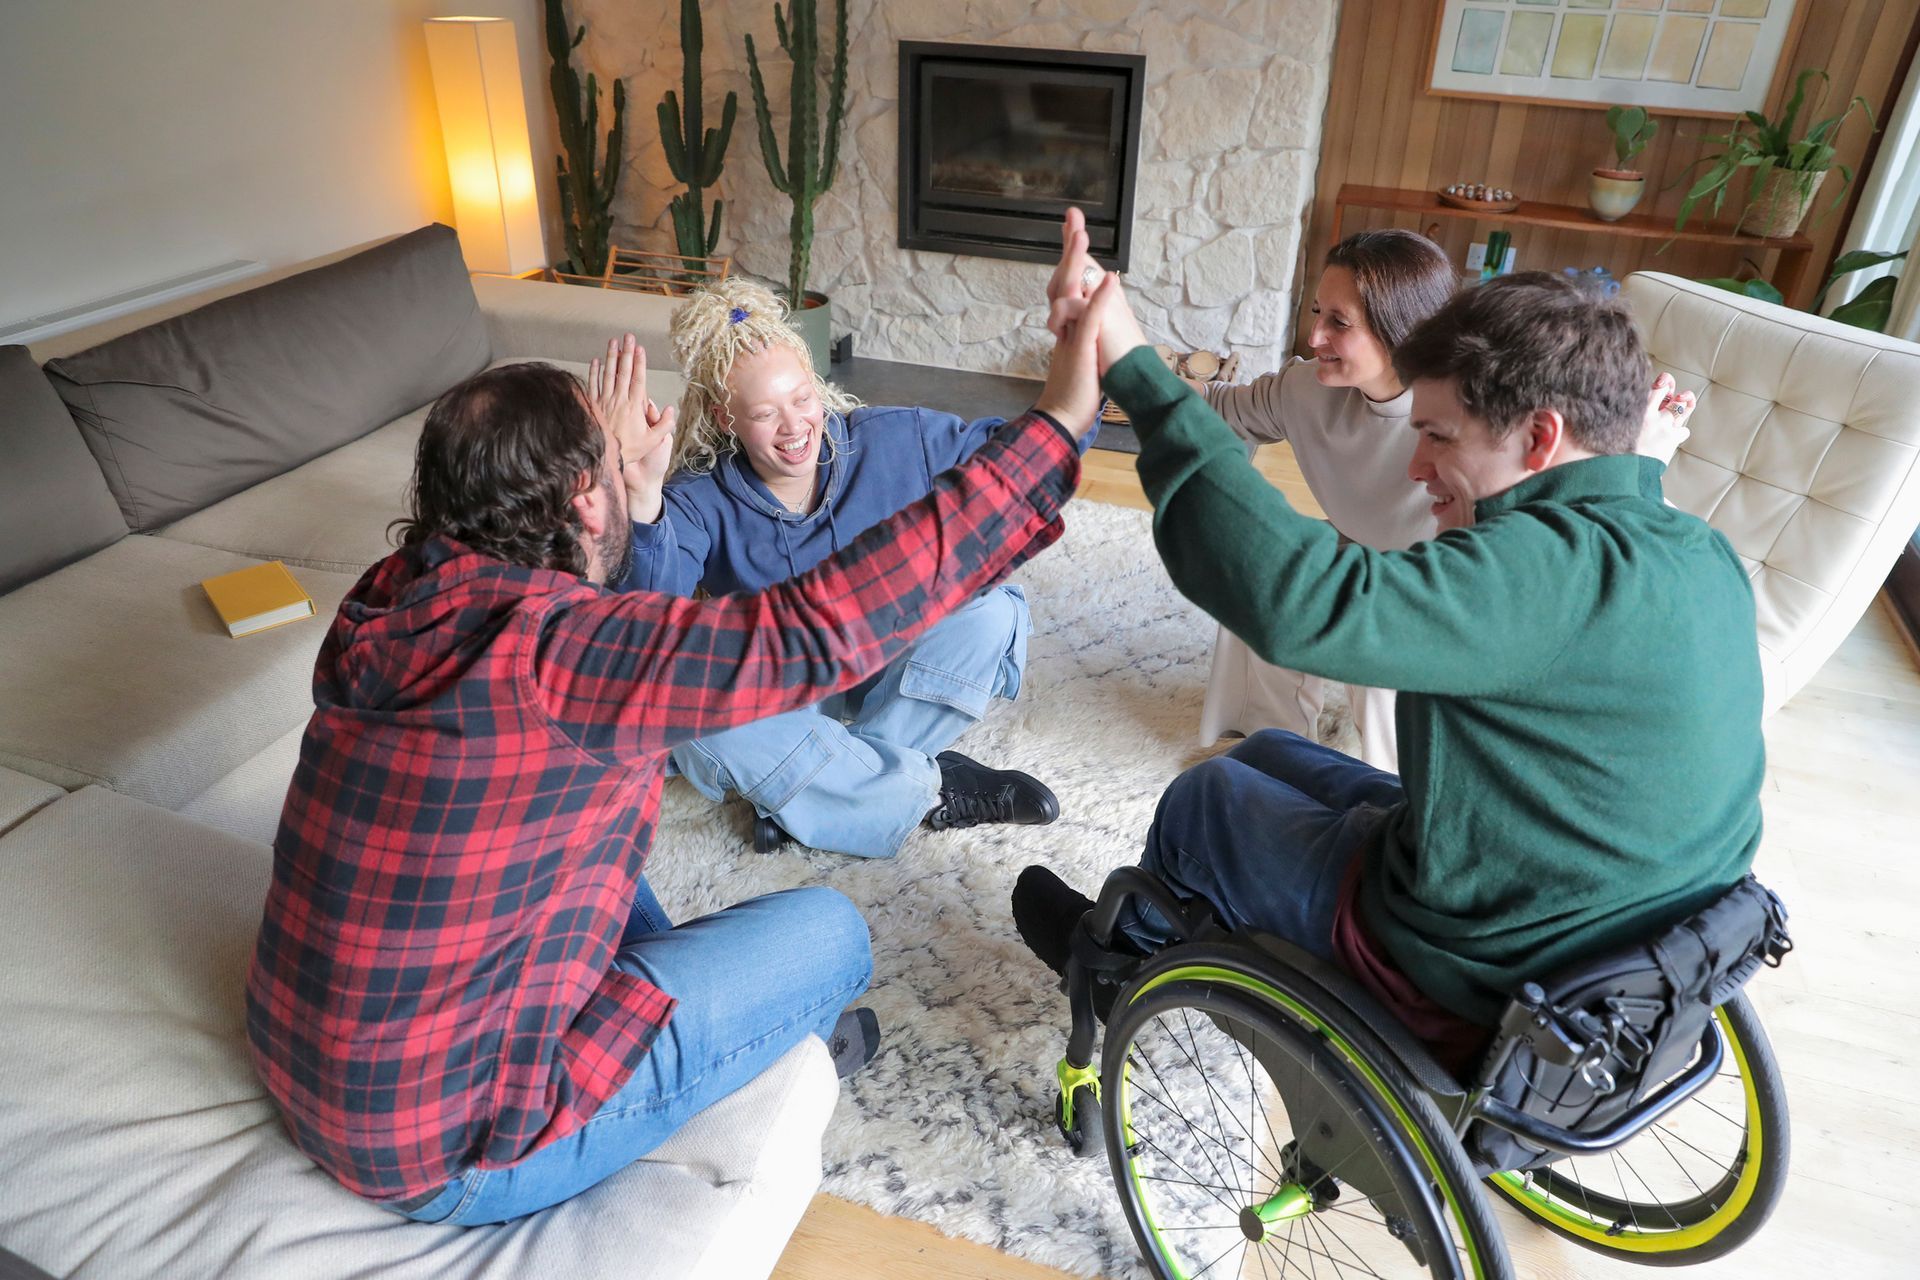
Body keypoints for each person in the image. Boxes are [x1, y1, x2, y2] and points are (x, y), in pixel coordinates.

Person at [244, 259, 1106, 1223]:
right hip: (460, 1148)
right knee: (828, 935)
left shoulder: (383, 598)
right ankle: (767, 1070)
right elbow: (814, 629)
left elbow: (611, 648)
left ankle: (734, 1017)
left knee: (614, 866)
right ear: (583, 502)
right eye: (615, 461)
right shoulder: (564, 655)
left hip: (308, 1067)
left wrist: (634, 489)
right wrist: (1063, 416)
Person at [1014, 264, 1755, 1069]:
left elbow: (1300, 598)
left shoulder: (1535, 575)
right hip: (1615, 924)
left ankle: (1117, 975)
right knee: (1264, 754)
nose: (1416, 466)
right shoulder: (1695, 548)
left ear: (1541, 437)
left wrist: (1134, 366)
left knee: (1209, 796)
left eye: (1438, 436)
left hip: (1486, 970)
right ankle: (1174, 939)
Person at [615, 272, 1099, 858]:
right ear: (726, 420)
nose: (795, 428)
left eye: (801, 399)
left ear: (817, 387)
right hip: (787, 688)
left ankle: (816, 794)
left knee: (992, 610)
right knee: (683, 707)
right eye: (766, 414)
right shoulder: (699, 496)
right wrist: (642, 498)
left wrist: (1085, 369)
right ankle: (932, 788)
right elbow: (643, 617)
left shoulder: (896, 439)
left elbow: (1023, 459)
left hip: (889, 656)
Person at [1193, 230, 1456, 771]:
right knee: (1259, 569)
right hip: (1354, 549)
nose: (1313, 335)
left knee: (1386, 646)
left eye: (1338, 322)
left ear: (1401, 330)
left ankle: (1395, 796)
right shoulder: (1306, 388)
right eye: (1317, 312)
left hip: (1437, 584)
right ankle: (1269, 750)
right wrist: (1120, 364)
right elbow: (1219, 407)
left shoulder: (1473, 413)